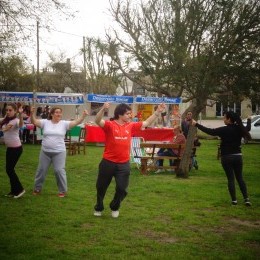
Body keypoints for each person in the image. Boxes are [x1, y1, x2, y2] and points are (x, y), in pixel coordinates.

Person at [94, 102, 166, 218]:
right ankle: (99, 206)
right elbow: (98, 121)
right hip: (108, 162)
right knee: (101, 187)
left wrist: (157, 112)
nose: (130, 116)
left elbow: (147, 122)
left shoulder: (131, 126)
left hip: (123, 164)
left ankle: (115, 206)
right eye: (127, 114)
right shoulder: (109, 125)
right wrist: (103, 109)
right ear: (120, 115)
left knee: (122, 189)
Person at [192, 111, 252, 206]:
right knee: (240, 178)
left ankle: (234, 201)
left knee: (231, 179)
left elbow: (210, 131)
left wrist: (196, 124)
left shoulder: (224, 130)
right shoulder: (239, 129)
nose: (223, 120)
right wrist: (249, 120)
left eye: (224, 118)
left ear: (229, 119)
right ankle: (246, 199)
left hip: (226, 157)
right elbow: (248, 128)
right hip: (237, 156)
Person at [30, 106, 88, 197]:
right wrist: (31, 113)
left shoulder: (64, 124)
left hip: (59, 152)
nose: (59, 114)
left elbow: (77, 122)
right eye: (56, 112)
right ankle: (37, 189)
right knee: (41, 170)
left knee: (59, 171)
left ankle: (62, 191)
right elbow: (34, 121)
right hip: (45, 151)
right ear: (52, 114)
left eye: (60, 112)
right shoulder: (45, 122)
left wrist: (83, 116)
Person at [0, 103, 25, 198]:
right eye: (7, 110)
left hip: (16, 149)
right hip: (10, 149)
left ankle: (20, 189)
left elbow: (21, 125)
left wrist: (21, 115)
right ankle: (14, 191)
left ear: (15, 111)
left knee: (10, 170)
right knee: (9, 169)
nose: (8, 112)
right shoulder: (5, 120)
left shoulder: (16, 120)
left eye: (10, 110)